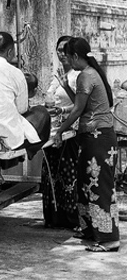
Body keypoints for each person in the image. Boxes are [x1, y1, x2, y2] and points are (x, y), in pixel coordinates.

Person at [54, 37, 120, 252]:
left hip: (96, 137)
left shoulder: (85, 75)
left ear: (75, 56)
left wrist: (60, 130)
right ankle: (91, 229)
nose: (65, 59)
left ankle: (108, 238)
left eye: (67, 55)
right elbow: (84, 105)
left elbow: (78, 110)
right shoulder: (93, 73)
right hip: (95, 137)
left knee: (98, 186)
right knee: (86, 184)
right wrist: (66, 88)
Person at [41, 35, 79, 229]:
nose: (61, 54)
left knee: (67, 173)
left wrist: (62, 111)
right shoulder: (56, 74)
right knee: (51, 173)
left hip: (70, 130)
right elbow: (50, 97)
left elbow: (80, 106)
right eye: (59, 50)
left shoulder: (78, 75)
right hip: (53, 128)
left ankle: (71, 217)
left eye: (65, 50)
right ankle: (52, 216)